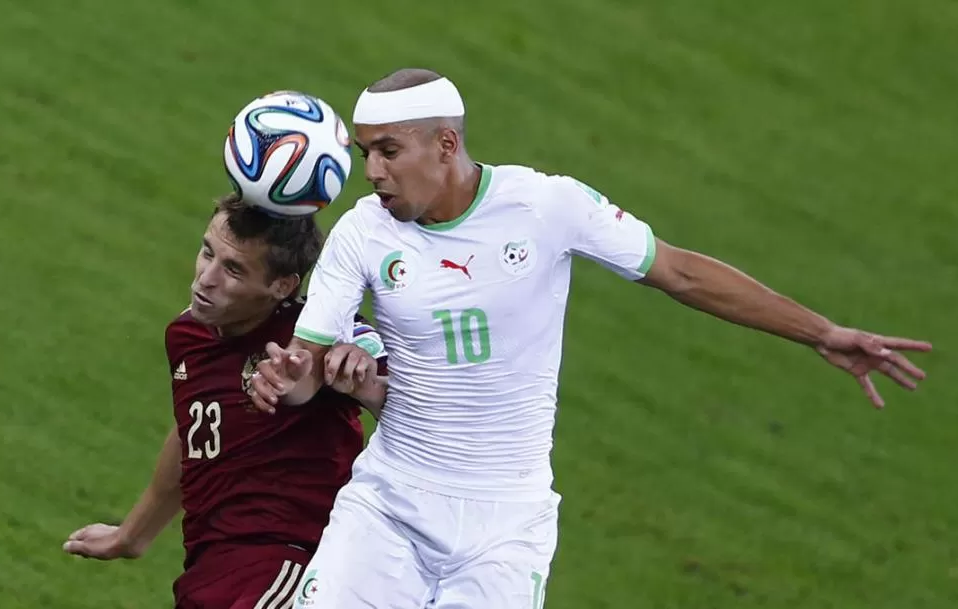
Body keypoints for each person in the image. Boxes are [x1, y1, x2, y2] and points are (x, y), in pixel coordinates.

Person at [248, 69, 933, 609]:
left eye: (390, 152)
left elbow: (683, 272)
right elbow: (307, 363)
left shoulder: (548, 207)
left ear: (446, 144)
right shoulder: (364, 233)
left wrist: (822, 331)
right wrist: (295, 377)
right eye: (367, 153)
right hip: (388, 505)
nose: (372, 172)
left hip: (504, 527)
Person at [63, 193, 387, 609]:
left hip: (295, 565)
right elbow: (193, 432)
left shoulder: (329, 334)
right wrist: (133, 534)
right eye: (206, 253)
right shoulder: (187, 336)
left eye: (232, 269)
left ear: (281, 285)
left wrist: (368, 382)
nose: (205, 279)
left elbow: (435, 410)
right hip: (210, 568)